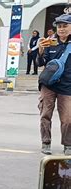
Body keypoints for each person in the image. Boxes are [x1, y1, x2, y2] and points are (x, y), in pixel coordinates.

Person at [37, 14, 71, 156]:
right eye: (59, 26)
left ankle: (68, 144)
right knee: (45, 115)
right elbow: (41, 63)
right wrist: (40, 51)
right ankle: (46, 142)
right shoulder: (50, 42)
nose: (61, 29)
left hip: (67, 86)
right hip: (49, 86)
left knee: (68, 118)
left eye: (65, 26)